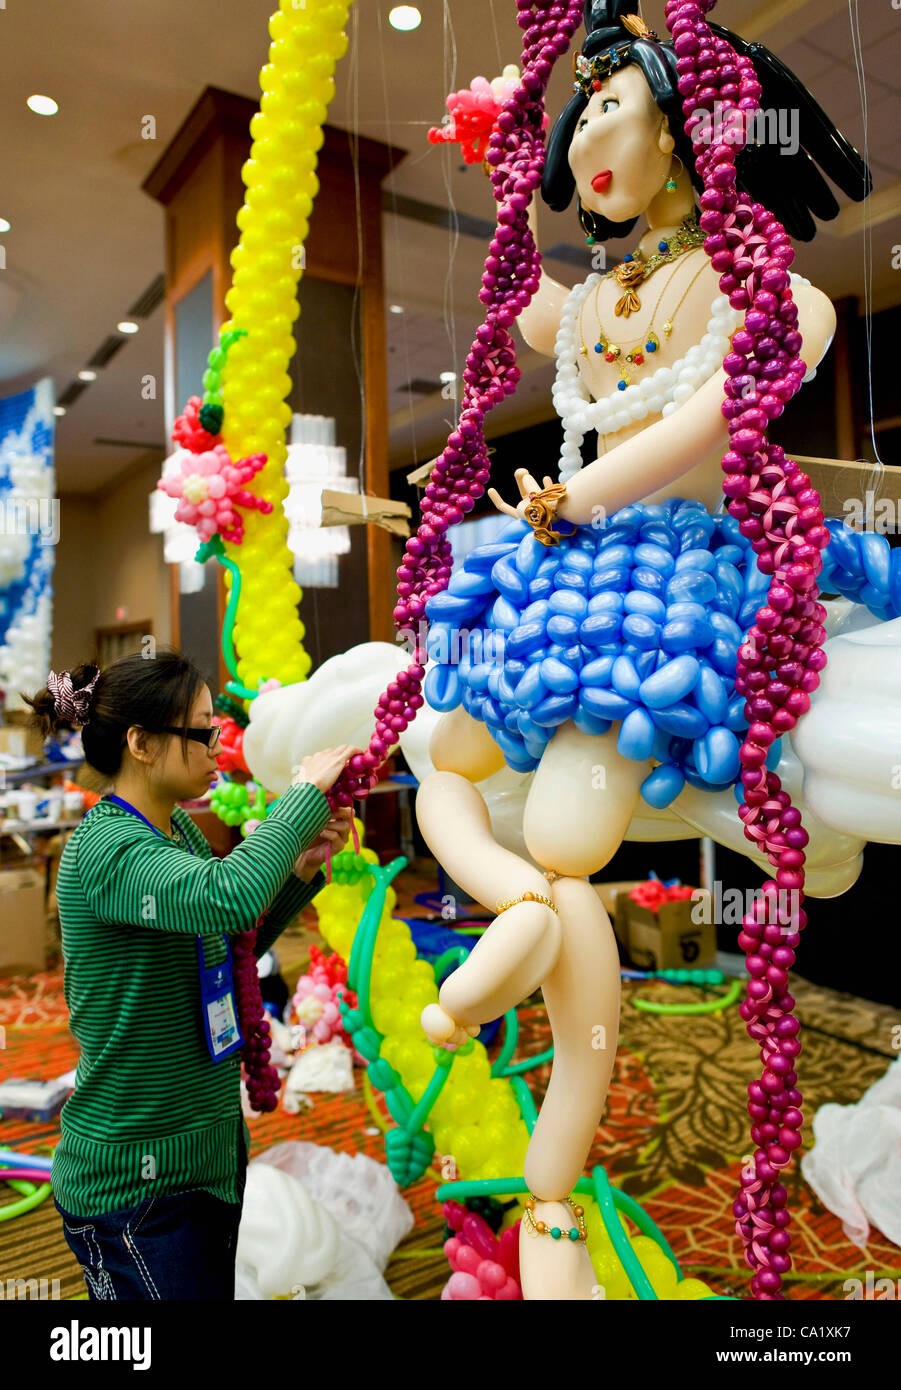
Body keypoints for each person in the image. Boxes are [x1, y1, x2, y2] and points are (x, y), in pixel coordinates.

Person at [415, 0, 875, 1299]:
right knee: (439, 758)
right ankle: (509, 913)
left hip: (657, 567)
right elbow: (525, 314)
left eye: (611, 108)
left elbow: (722, 412)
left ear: (690, 131)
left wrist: (591, 496)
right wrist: (502, 175)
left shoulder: (753, 288)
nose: (586, 137)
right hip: (555, 556)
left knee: (567, 834)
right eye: (581, 113)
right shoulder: (600, 294)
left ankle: (554, 1171)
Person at [23, 648, 359, 1300]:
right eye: (201, 732)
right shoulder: (107, 848)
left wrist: (302, 867)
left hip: (202, 1159)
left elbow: (229, 936)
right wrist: (299, 802)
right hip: (133, 1189)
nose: (216, 746)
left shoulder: (175, 829)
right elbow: (228, 894)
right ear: (141, 742)